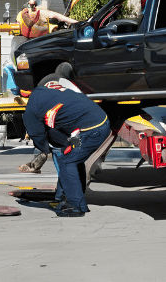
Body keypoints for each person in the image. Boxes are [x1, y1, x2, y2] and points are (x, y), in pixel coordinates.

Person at [21, 80, 111, 217]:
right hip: (100, 120)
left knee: (68, 162)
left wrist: (45, 149)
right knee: (74, 159)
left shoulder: (31, 111)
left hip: (90, 130)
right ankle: (68, 197)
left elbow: (37, 135)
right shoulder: (45, 92)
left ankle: (75, 206)